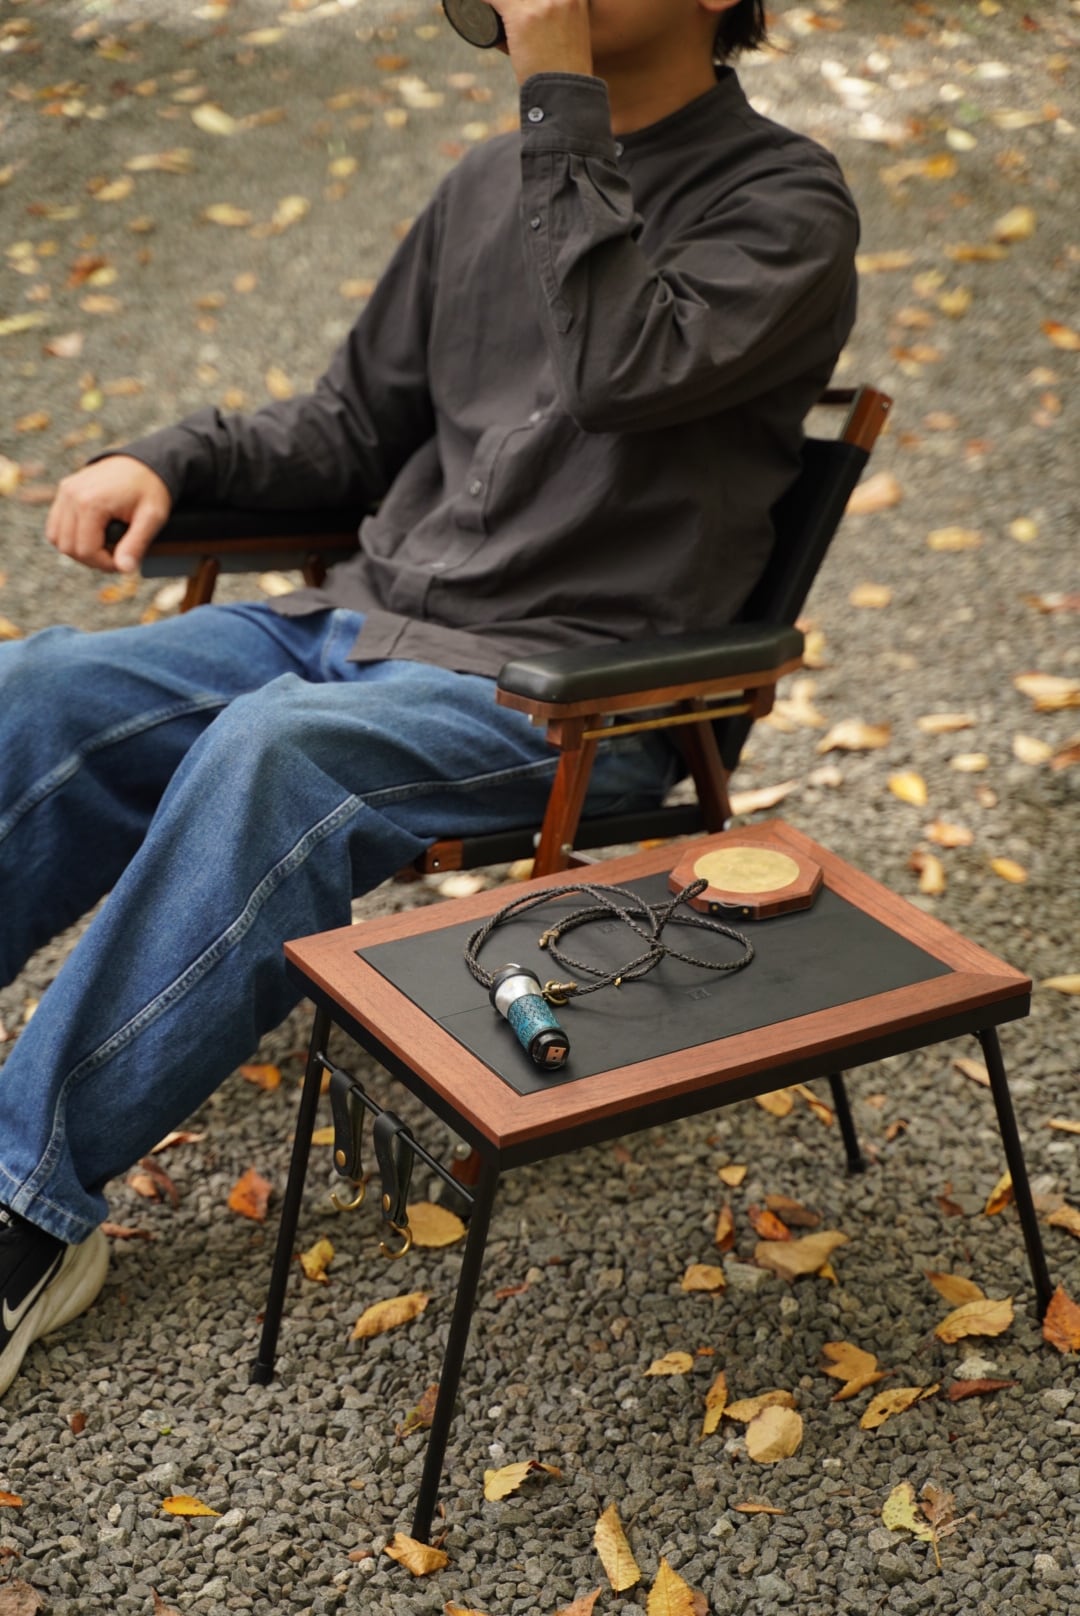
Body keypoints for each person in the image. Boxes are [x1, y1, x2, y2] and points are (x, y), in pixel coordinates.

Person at [0, 0, 858, 1398]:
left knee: (275, 753)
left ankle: (24, 1202)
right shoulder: (487, 181)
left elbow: (617, 369)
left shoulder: (784, 204)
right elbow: (353, 427)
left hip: (561, 693)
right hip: (354, 628)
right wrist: (170, 456)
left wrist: (555, 98)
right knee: (38, 686)